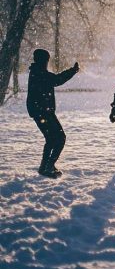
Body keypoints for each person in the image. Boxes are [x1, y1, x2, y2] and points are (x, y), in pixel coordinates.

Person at [26, 49, 79, 178]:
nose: (47, 62)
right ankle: (48, 166)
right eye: (46, 60)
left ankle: (45, 166)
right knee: (60, 138)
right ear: (43, 60)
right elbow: (57, 80)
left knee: (51, 139)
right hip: (43, 112)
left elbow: (55, 79)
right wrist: (72, 71)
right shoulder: (39, 73)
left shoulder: (37, 72)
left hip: (41, 112)